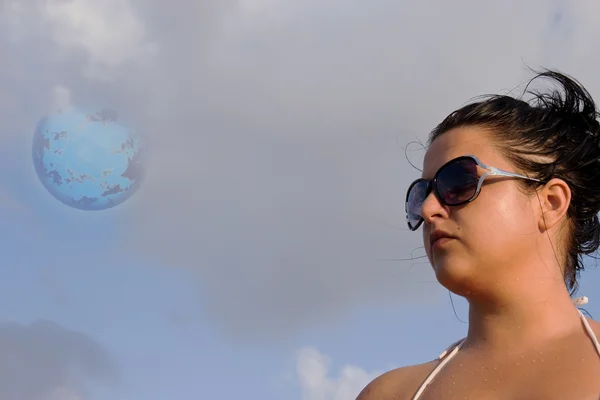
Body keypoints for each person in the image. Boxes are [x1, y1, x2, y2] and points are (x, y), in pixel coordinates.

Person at [357, 70, 600, 400]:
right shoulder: (390, 394)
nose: (429, 209)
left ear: (551, 202)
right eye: (420, 193)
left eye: (458, 181)